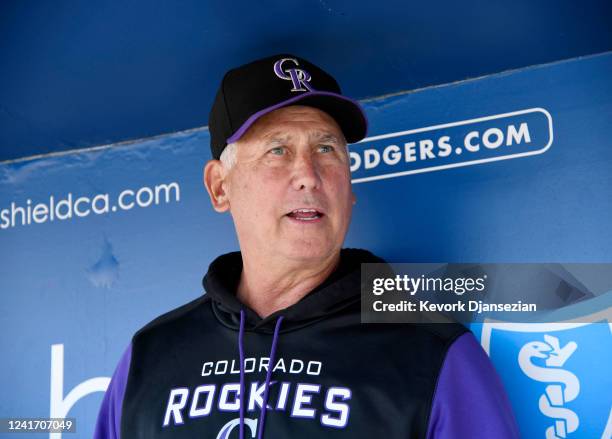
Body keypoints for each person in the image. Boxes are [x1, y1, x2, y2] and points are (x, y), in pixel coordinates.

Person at [94, 53, 520, 438]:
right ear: (220, 187)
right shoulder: (148, 358)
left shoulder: (433, 353)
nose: (309, 175)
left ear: (350, 188)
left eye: (326, 149)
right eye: (278, 150)